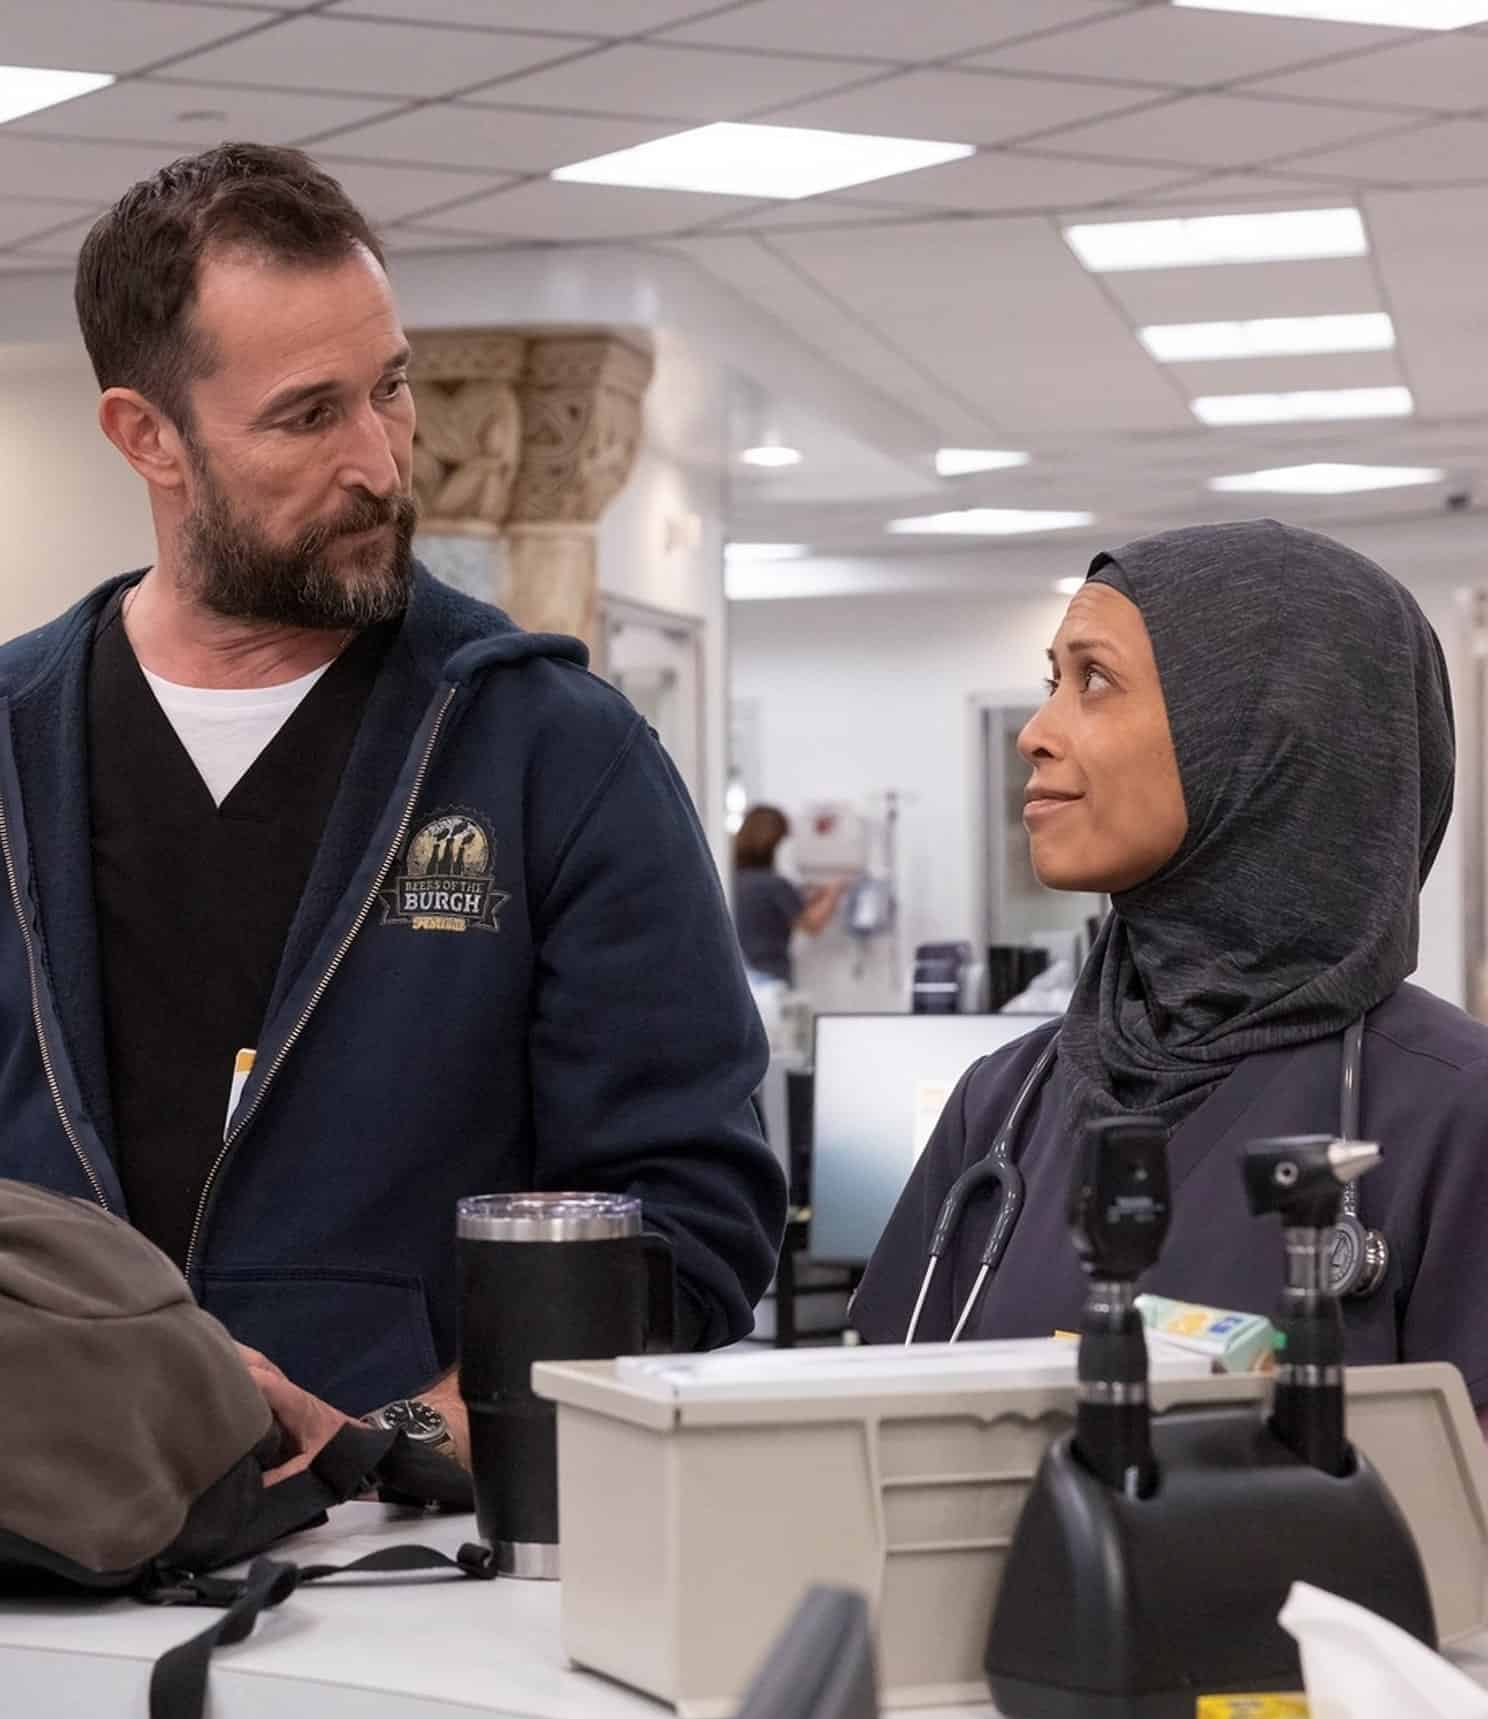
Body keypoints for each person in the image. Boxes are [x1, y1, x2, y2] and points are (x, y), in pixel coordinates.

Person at [0, 143, 784, 1467]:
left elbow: (687, 1222)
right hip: (45, 1542)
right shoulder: (14, 748)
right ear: (148, 437)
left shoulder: (550, 754)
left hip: (415, 1575)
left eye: (394, 389)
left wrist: (404, 1436)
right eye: (309, 416)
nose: (380, 461)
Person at [851, 519, 1488, 1418]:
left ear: (1267, 734)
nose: (1034, 733)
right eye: (1052, 682)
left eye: (1095, 680)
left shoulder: (1454, 1116)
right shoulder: (1002, 1104)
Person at [732, 805, 845, 988]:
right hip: (772, 979)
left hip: (743, 977)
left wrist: (817, 896)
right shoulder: (776, 885)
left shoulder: (734, 880)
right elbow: (812, 925)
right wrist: (834, 892)